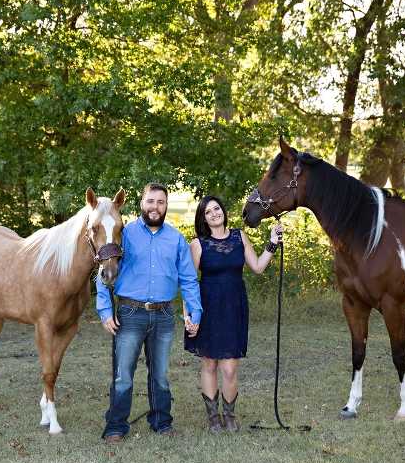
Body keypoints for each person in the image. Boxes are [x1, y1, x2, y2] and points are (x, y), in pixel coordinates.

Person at [96, 182, 202, 446]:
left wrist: (195, 313)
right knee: (123, 374)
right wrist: (105, 309)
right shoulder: (124, 233)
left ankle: (161, 422)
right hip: (130, 312)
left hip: (165, 314)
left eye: (161, 202)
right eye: (151, 201)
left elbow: (188, 279)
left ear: (166, 206)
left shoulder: (176, 238)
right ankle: (116, 427)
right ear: (142, 204)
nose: (155, 207)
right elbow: (104, 267)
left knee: (160, 374)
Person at [183, 195, 283, 432]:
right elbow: (188, 283)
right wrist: (189, 316)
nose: (214, 214)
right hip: (206, 307)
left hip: (233, 306)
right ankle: (213, 418)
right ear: (203, 218)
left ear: (224, 211)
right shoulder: (198, 244)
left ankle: (229, 416)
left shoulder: (240, 237)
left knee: (229, 368)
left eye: (217, 208)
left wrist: (272, 243)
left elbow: (258, 267)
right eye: (208, 212)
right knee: (209, 365)